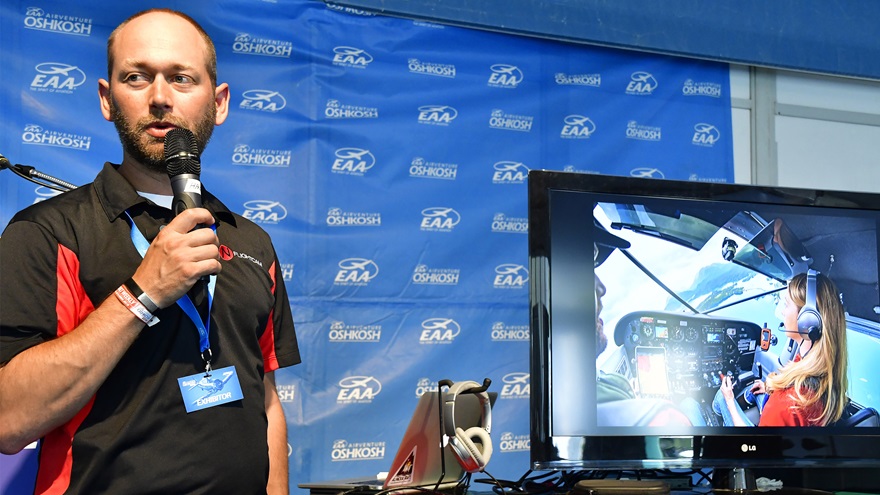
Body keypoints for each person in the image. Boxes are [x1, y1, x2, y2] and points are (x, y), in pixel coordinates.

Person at [0, 9, 300, 494]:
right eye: (137, 77)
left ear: (219, 103)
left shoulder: (252, 243)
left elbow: (266, 399)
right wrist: (142, 293)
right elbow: (9, 421)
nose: (160, 98)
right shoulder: (46, 232)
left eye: (182, 78)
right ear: (106, 98)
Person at [714, 271, 848, 427]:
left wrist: (730, 400)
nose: (783, 312)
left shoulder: (786, 403)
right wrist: (770, 388)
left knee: (718, 398)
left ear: (807, 319)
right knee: (754, 389)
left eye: (786, 304)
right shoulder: (827, 371)